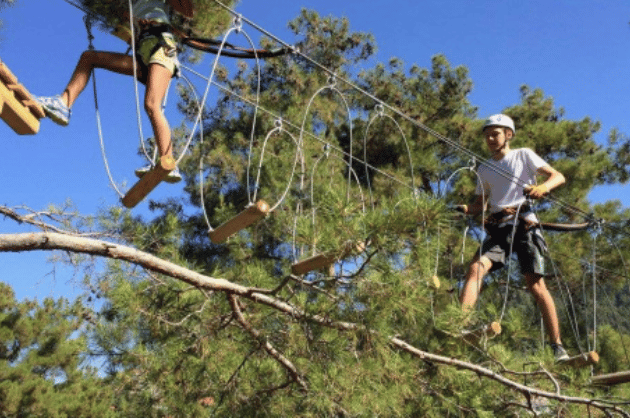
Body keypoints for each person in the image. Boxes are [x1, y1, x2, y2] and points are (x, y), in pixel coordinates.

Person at [35, 0, 195, 184]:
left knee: (152, 104)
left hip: (162, 48)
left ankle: (168, 161)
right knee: (89, 57)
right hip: (142, 53)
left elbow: (188, 11)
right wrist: (130, 19)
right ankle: (63, 104)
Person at [456, 113, 569, 362]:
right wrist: (466, 209)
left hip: (524, 228)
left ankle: (557, 345)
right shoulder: (484, 169)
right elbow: (481, 203)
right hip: (500, 234)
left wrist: (543, 187)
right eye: (487, 135)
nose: (490, 139)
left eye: (495, 134)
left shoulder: (523, 155)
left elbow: (558, 176)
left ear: (508, 135)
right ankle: (459, 325)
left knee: (535, 285)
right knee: (476, 268)